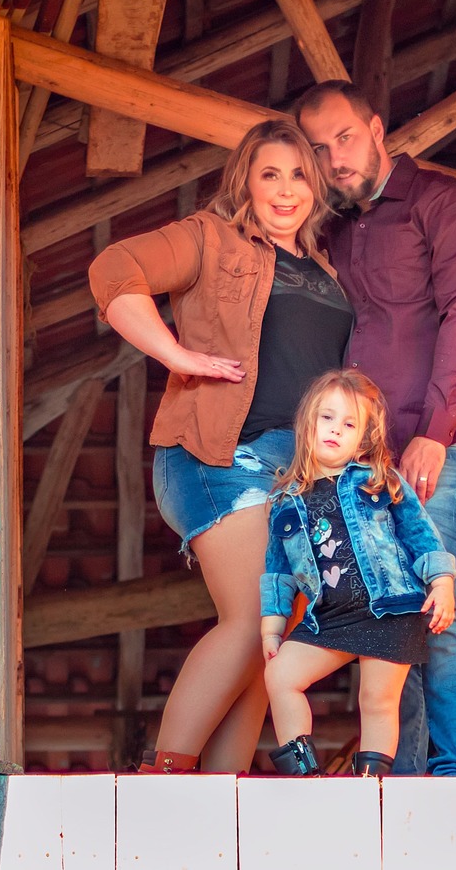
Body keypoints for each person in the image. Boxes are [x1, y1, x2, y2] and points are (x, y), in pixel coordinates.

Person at [89, 118, 353, 773]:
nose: (286, 190)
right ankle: (167, 774)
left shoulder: (327, 266)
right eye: (270, 174)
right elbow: (113, 269)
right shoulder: (213, 237)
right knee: (256, 616)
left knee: (275, 636)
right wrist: (178, 354)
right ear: (246, 181)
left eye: (299, 174)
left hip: (298, 473)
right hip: (223, 457)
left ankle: (219, 791)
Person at [297, 83, 456, 777]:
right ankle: (405, 781)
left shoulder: (445, 205)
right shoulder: (337, 228)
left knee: (440, 605)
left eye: (345, 138)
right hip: (365, 457)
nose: (334, 158)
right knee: (390, 616)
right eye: (319, 150)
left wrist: (437, 430)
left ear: (377, 129)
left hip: (436, 439)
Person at [260, 369, 455, 777]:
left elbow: (421, 536)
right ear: (307, 423)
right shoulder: (284, 501)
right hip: (328, 620)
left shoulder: (379, 481)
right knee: (280, 675)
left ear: (363, 438)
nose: (335, 430)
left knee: (377, 701)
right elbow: (277, 572)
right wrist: (272, 628)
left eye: (349, 424)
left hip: (390, 609)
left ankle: (370, 787)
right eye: (326, 418)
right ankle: (303, 776)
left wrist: (442, 581)